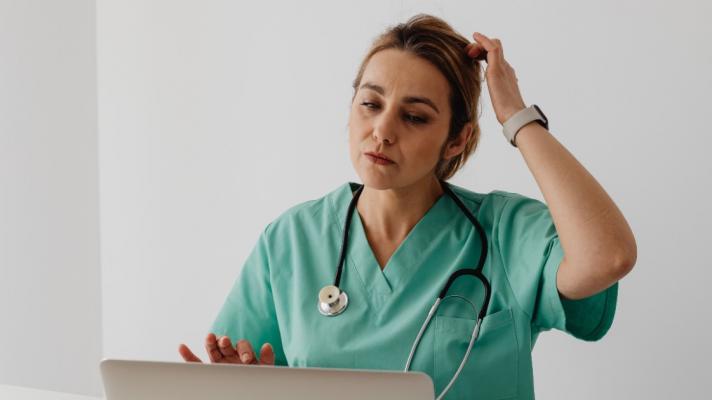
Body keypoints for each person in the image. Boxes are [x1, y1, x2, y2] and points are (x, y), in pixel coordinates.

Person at [178, 14, 637, 399]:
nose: (382, 130)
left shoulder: (505, 232)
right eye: (370, 104)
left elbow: (608, 256)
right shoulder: (292, 239)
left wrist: (516, 117)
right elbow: (235, 380)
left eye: (414, 116)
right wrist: (241, 386)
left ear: (457, 139)